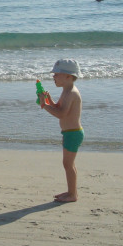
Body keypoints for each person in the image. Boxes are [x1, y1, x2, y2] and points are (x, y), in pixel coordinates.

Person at [38, 59, 84, 203]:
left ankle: (73, 194)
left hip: (73, 133)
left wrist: (44, 105)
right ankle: (71, 192)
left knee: (68, 164)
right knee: (68, 164)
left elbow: (61, 114)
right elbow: (59, 107)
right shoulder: (66, 91)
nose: (54, 77)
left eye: (57, 74)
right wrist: (49, 100)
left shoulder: (72, 93)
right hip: (69, 132)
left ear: (68, 76)